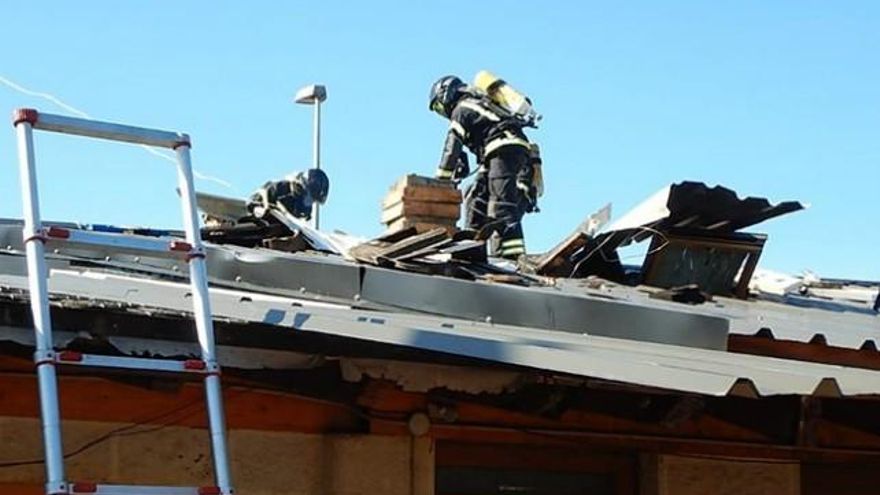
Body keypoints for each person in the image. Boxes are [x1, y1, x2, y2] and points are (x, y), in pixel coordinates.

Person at [429, 75, 541, 260]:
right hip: (498, 152)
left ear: (446, 94)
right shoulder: (478, 104)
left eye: (439, 107)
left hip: (504, 147)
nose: (443, 112)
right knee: (476, 199)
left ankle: (513, 257)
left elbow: (451, 147)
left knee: (501, 206)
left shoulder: (462, 108)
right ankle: (472, 251)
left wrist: (440, 182)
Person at [247, 168, 329, 221]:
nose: (310, 203)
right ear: (301, 189)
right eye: (310, 198)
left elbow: (301, 224)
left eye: (313, 201)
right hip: (262, 223)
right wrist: (263, 210)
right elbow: (252, 202)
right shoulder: (281, 188)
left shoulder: (306, 209)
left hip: (285, 233)